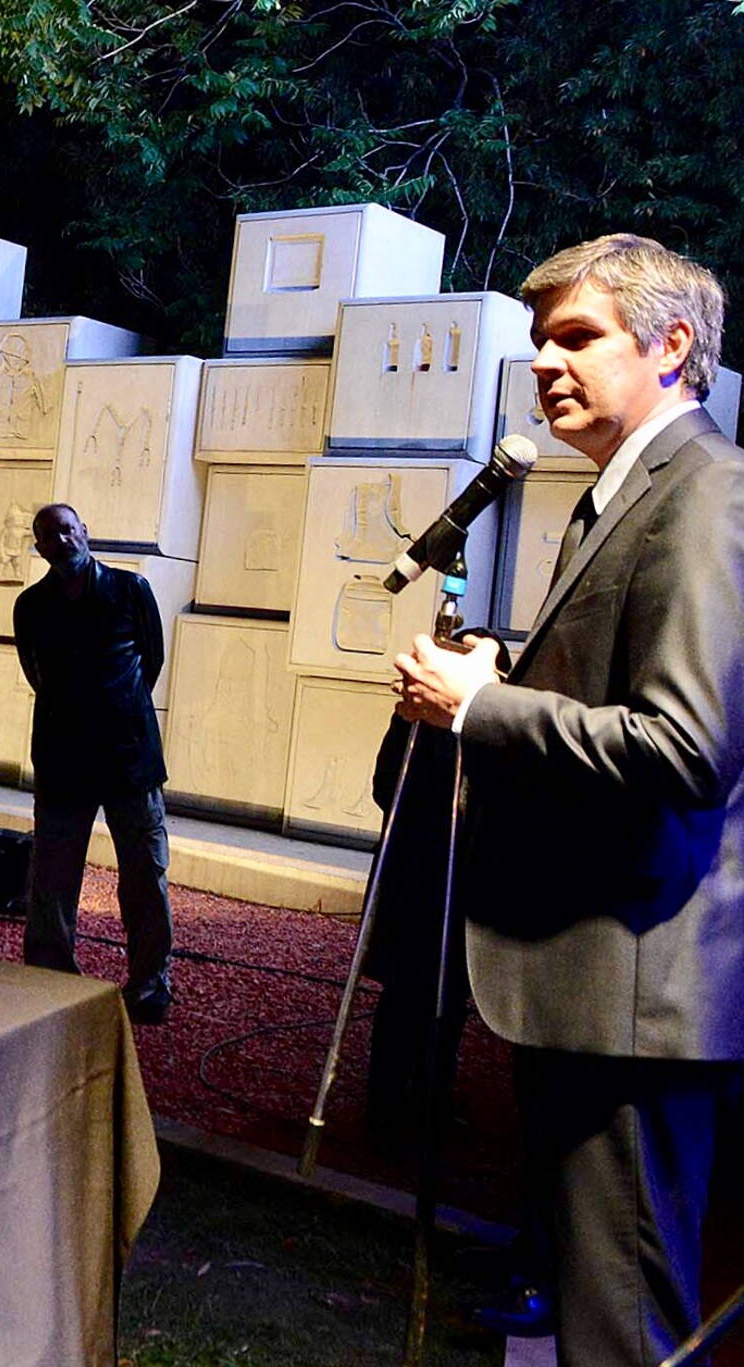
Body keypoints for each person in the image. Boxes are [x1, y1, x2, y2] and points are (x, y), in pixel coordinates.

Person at [392, 234, 744, 1364]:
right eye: (540, 338)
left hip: (634, 992)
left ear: (672, 345)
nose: (545, 361)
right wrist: (498, 667)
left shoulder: (705, 494)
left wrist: (477, 710)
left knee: (618, 1326)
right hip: (583, 981)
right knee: (583, 1309)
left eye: (577, 336)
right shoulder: (620, 491)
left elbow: (685, 747)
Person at [13, 503, 174, 1026]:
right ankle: (49, 973)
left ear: (85, 531)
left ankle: (151, 981)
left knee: (145, 873)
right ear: (39, 549)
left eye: (67, 529)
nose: (60, 541)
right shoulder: (31, 605)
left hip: (129, 755)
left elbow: (150, 660)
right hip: (63, 756)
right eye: (48, 536)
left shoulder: (131, 591)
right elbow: (35, 670)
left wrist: (117, 707)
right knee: (53, 876)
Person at [362, 628, 513, 1153]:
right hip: (423, 878)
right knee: (416, 999)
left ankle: (420, 1105)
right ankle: (392, 1109)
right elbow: (387, 787)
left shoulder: (480, 727)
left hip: (445, 879)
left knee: (435, 1002)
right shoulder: (420, 721)